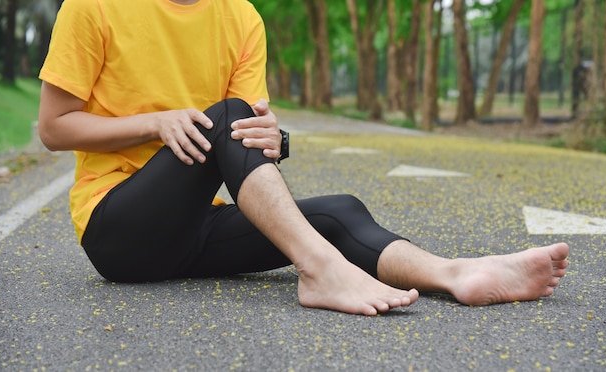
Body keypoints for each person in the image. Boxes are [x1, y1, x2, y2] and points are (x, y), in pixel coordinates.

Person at [38, 0, 569, 316]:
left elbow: (244, 127)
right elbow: (53, 127)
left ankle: (457, 275)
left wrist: (274, 137)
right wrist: (155, 122)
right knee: (225, 115)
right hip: (118, 231)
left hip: (193, 230)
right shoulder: (94, 6)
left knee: (341, 211)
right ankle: (319, 272)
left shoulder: (241, 17)